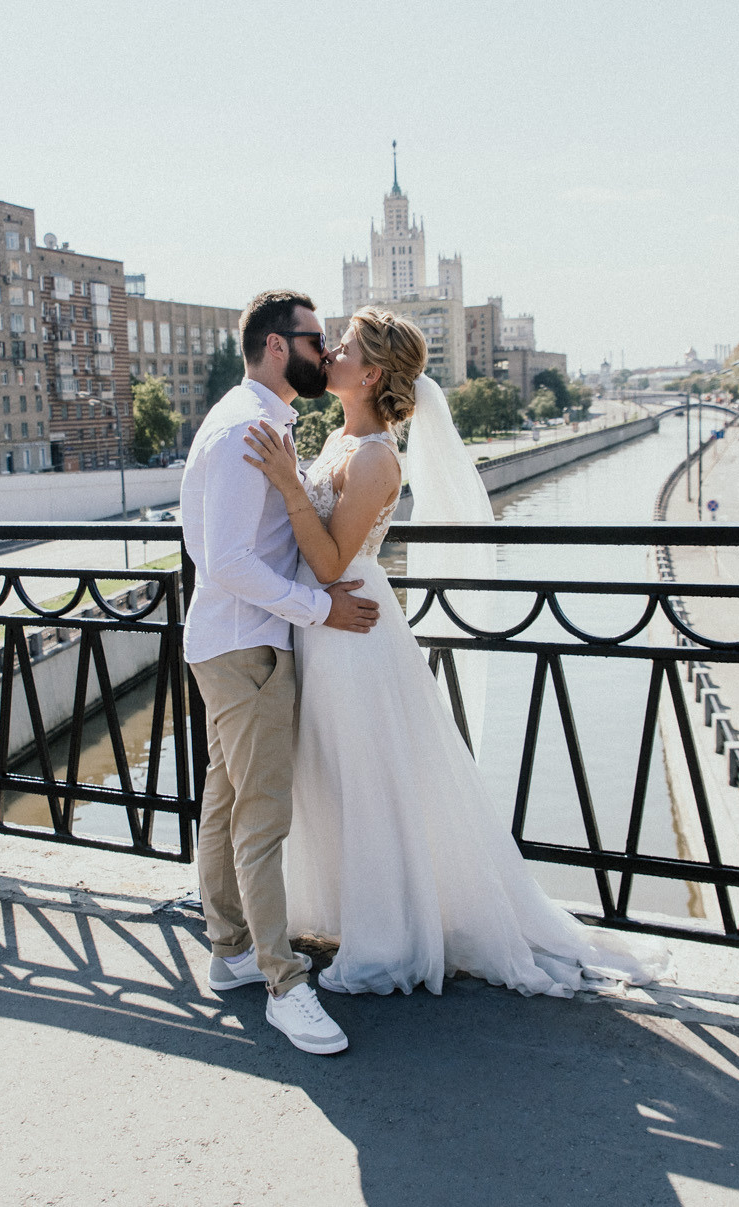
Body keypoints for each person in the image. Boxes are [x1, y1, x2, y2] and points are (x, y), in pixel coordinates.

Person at [242, 306, 671, 998]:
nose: (329, 353)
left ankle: (386, 932)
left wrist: (290, 484)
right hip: (320, 629)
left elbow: (326, 562)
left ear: (372, 371)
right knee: (328, 773)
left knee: (366, 780)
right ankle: (342, 910)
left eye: (343, 347)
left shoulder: (379, 456)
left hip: (350, 634)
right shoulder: (341, 439)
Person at [179, 288, 381, 1057]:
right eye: (314, 338)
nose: (324, 351)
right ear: (275, 345)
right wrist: (315, 608)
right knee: (262, 818)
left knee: (227, 802)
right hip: (250, 645)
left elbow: (209, 539)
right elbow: (225, 558)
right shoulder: (248, 425)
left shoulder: (243, 419)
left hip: (228, 642)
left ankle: (230, 948)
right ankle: (283, 984)